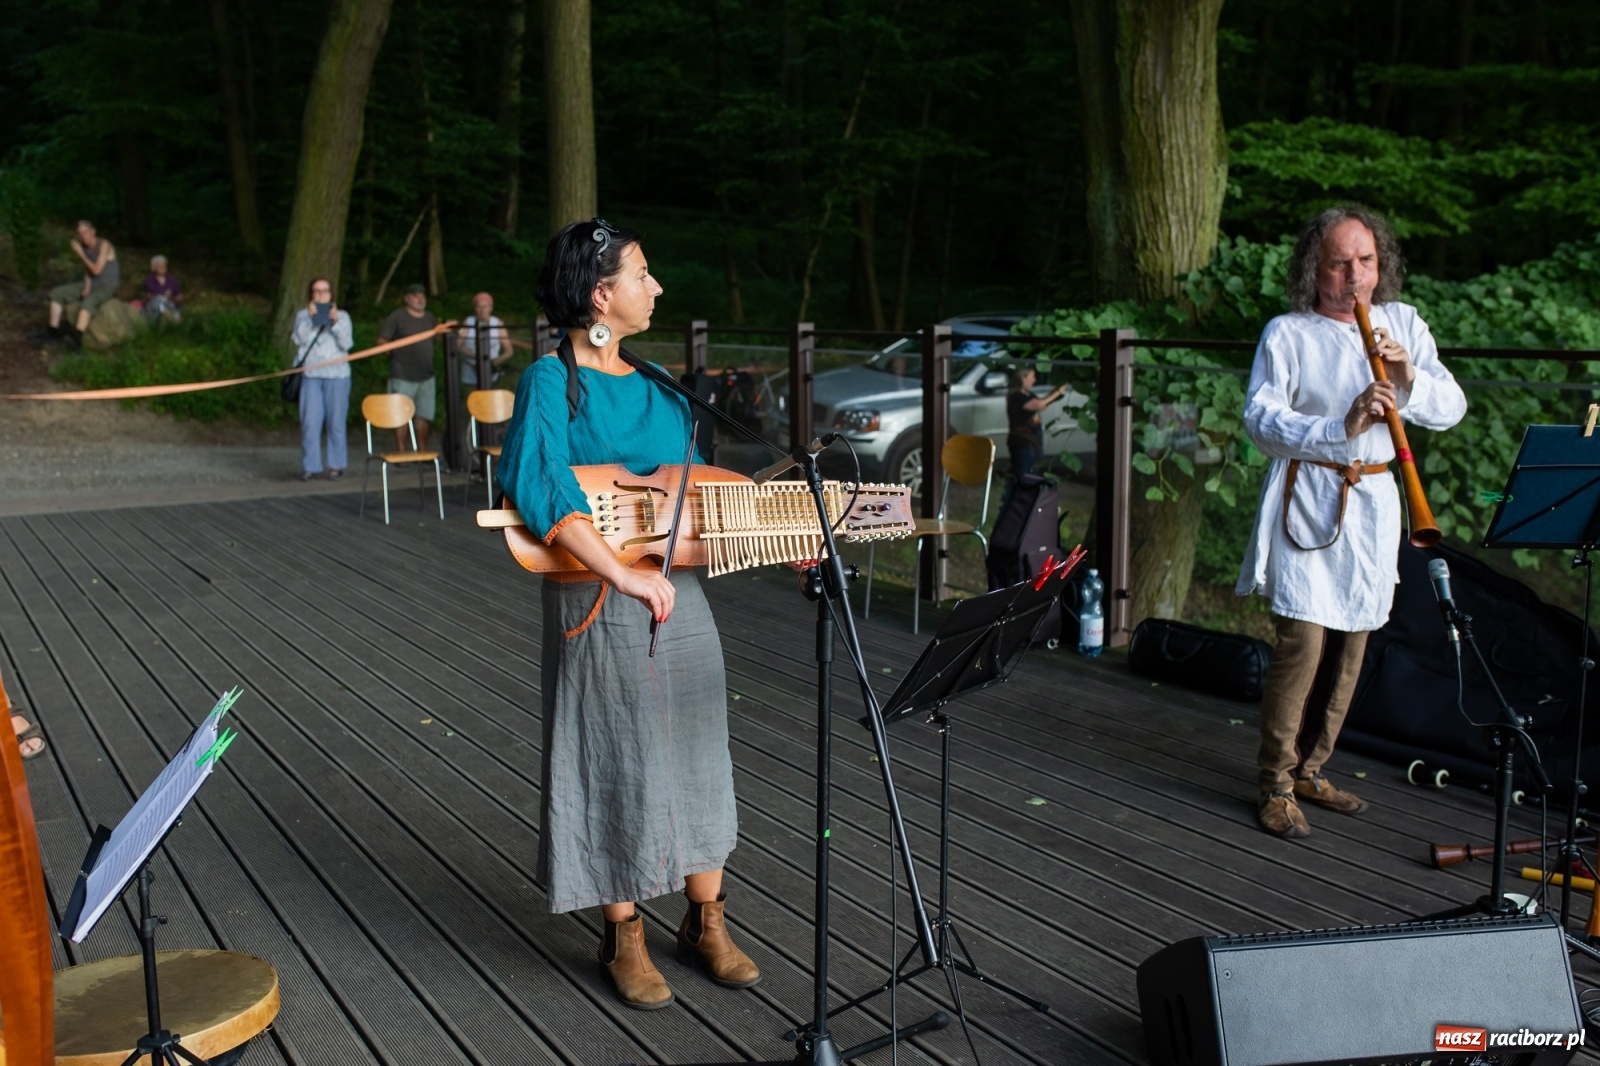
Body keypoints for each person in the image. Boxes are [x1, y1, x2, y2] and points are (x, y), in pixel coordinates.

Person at [496, 218, 760, 1011]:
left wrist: (779, 534)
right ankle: (625, 933)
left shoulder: (656, 385)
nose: (658, 287)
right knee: (615, 758)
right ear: (600, 293)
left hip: (678, 593)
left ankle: (705, 918)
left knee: (700, 746)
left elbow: (691, 503)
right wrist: (622, 574)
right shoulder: (551, 381)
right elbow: (541, 484)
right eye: (643, 274)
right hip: (596, 597)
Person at [1236, 205, 1467, 839]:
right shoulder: (1288, 332)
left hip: (1373, 502)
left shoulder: (1403, 323)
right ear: (1314, 267)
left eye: (1365, 261)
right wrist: (1343, 426)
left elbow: (1451, 406)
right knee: (1303, 644)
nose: (1355, 276)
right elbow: (1260, 420)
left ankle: (1312, 769)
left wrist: (1406, 375)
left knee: (1352, 643)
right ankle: (1275, 782)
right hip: (1308, 496)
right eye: (1340, 262)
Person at [291, 278, 354, 482]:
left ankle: (336, 465)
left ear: (331, 294)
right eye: (316, 291)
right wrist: (309, 320)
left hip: (338, 376)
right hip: (311, 376)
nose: (320, 295)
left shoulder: (343, 316)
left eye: (324, 291)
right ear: (310, 294)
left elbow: (347, 344)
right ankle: (311, 466)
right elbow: (297, 340)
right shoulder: (302, 315)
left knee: (336, 422)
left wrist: (335, 323)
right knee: (310, 422)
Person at [379, 283, 439, 451]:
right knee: (401, 414)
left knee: (424, 415)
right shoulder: (397, 317)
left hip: (427, 375)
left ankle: (422, 451)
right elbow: (382, 342)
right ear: (407, 298)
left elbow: (434, 341)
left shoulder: (429, 317)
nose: (420, 299)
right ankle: (401, 452)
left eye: (422, 296)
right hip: (402, 375)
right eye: (415, 296)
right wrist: (398, 358)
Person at [47, 220, 120, 346]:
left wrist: (80, 253)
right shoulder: (84, 247)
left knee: (87, 303)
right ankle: (53, 333)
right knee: (57, 294)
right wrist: (87, 287)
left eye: (86, 232)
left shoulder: (104, 245)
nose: (84, 236)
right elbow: (88, 271)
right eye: (80, 234)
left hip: (107, 285)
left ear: (93, 231)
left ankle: (77, 340)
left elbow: (96, 270)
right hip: (93, 283)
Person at [1005, 366, 1067, 477]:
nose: (1034, 380)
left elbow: (1043, 402)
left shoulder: (1028, 394)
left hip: (1032, 441)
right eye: (1032, 376)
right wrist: (1058, 392)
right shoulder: (1016, 396)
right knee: (1023, 475)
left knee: (1032, 473)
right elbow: (1039, 405)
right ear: (1023, 378)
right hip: (1023, 441)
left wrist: (1055, 391)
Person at [456, 291, 510, 388]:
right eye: (478, 306)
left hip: (490, 374)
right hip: (470, 371)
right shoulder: (468, 321)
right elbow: (458, 346)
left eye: (485, 306)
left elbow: (509, 351)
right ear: (475, 308)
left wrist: (493, 363)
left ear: (490, 308)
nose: (482, 310)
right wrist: (475, 355)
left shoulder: (497, 323)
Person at [142, 255, 183, 323]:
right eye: (160, 267)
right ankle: (169, 315)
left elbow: (178, 295)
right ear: (154, 268)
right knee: (159, 299)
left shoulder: (171, 279)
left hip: (170, 303)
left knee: (166, 302)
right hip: (154, 307)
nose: (163, 268)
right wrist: (164, 295)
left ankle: (170, 315)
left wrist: (173, 298)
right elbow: (150, 295)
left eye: (164, 266)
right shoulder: (150, 279)